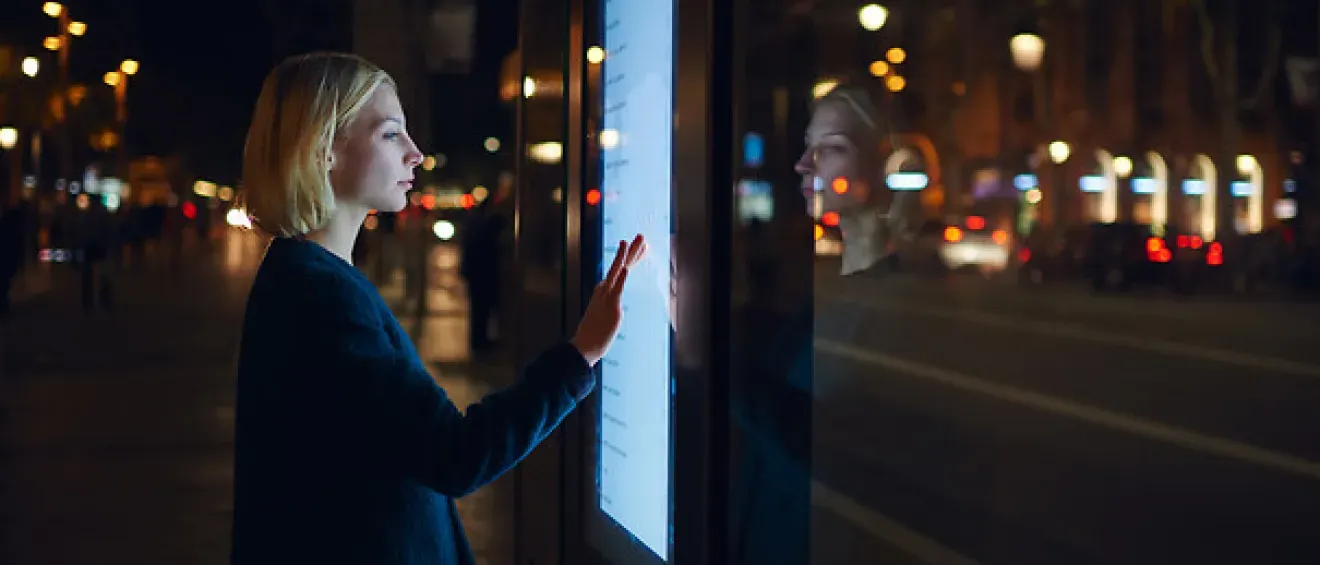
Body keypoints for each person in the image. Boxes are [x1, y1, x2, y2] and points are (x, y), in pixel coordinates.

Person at [230, 52, 647, 565]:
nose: (417, 154)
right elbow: (455, 454)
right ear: (323, 150)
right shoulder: (320, 296)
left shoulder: (307, 279)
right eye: (390, 134)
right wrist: (581, 353)